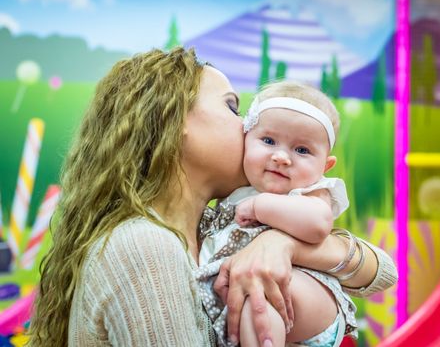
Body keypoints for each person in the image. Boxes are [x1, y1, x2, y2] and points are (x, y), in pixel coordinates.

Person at [27, 47, 396, 347]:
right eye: (233, 108)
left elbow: (384, 272)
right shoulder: (146, 245)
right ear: (173, 121)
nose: (248, 125)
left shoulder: (205, 229)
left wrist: (282, 243)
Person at [195, 81, 398, 347]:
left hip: (301, 297)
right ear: (245, 141)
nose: (281, 157)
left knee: (260, 301)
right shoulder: (237, 189)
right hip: (241, 305)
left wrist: (259, 207)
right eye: (268, 141)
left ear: (325, 166)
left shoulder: (312, 192)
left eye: (302, 150)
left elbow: (318, 224)